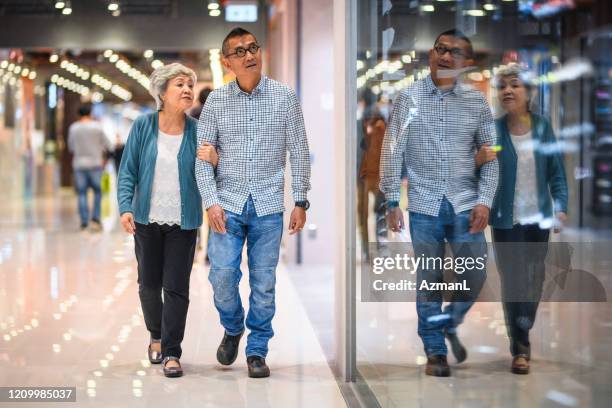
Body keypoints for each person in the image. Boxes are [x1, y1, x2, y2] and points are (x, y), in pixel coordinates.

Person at [380, 29, 499, 377]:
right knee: (429, 278)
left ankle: (448, 323)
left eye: (454, 53)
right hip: (424, 203)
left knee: (475, 275)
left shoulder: (477, 102)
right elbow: (392, 150)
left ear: (467, 62)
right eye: (440, 49)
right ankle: (434, 349)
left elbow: (491, 156)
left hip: (465, 203)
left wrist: (485, 201)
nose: (445, 57)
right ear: (431, 53)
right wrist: (390, 199)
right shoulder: (408, 97)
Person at [196, 27, 311, 378]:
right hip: (226, 204)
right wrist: (211, 202)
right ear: (226, 61)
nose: (249, 55)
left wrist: (301, 200)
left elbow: (300, 151)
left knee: (264, 282)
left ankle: (257, 349)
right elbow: (202, 158)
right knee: (222, 275)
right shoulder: (215, 100)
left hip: (267, 204)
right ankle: (233, 327)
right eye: (240, 51)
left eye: (253, 48)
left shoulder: (284, 96)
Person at [478, 63, 568, 375]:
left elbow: (556, 173)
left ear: (528, 92)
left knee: (535, 279)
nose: (507, 91)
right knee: (513, 282)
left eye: (514, 85)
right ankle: (521, 346)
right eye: (502, 86)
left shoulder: (543, 128)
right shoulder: (494, 129)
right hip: (506, 221)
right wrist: (479, 161)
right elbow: (482, 172)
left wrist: (561, 206)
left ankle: (523, 328)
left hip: (537, 220)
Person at [117, 63, 203, 378]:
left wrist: (216, 161)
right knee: (149, 286)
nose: (187, 90)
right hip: (147, 219)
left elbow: (209, 173)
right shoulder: (142, 126)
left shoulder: (198, 129)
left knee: (176, 287)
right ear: (162, 93)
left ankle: (171, 352)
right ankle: (155, 332)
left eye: (190, 85)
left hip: (184, 221)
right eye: (180, 84)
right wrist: (125, 206)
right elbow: (128, 170)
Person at [67, 104, 112, 231]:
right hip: (95, 164)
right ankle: (96, 219)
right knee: (98, 192)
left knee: (82, 193)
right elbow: (108, 144)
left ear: (78, 114)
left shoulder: (74, 128)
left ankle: (84, 222)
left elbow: (71, 146)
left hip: (79, 165)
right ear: (90, 113)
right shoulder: (97, 127)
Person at [358, 109, 387, 259]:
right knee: (377, 213)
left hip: (371, 177)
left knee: (374, 214)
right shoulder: (381, 130)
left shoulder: (378, 130)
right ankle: (374, 250)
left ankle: (373, 250)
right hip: (369, 177)